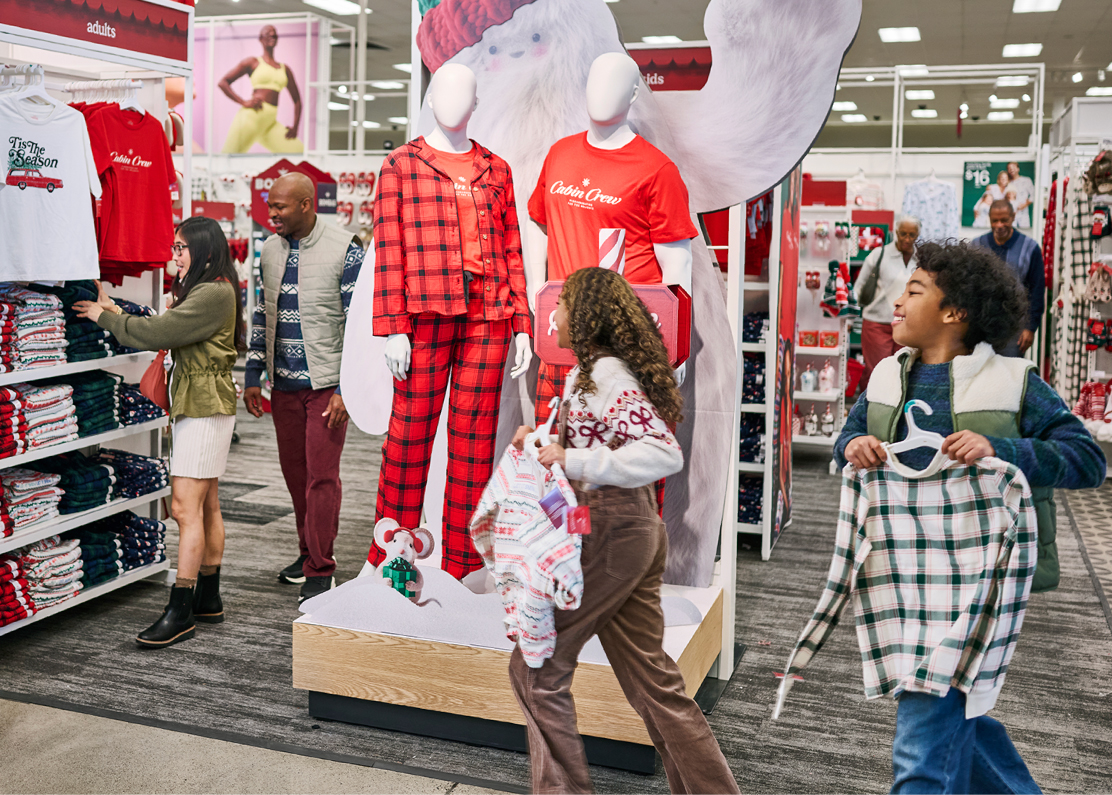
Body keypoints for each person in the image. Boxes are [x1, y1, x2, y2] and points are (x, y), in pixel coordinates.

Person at [831, 241, 1104, 793]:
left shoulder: (1015, 380)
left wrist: (1002, 450)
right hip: (903, 574)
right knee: (957, 713)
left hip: (978, 580)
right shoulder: (884, 376)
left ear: (954, 312)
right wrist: (854, 444)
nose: (898, 304)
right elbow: (844, 441)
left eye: (913, 291)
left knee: (921, 747)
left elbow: (1088, 460)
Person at [509, 268, 740, 795]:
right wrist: (544, 443)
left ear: (585, 316)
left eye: (563, 305)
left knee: (537, 671)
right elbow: (589, 447)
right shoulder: (588, 375)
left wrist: (573, 457)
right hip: (622, 530)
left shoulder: (607, 374)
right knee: (655, 687)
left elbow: (661, 451)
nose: (555, 315)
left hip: (610, 532)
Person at [74, 216, 246, 648]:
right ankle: (208, 598)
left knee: (185, 510)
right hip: (205, 405)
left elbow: (158, 332)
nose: (174, 255)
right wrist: (115, 309)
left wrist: (104, 317)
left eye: (181, 248)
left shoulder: (212, 292)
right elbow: (168, 325)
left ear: (203, 249)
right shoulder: (213, 289)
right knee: (206, 506)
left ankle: (180, 609)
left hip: (204, 409)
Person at [243, 172, 363, 603]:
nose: (271, 213)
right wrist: (254, 374)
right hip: (284, 386)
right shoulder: (269, 250)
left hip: (326, 385)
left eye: (279, 206)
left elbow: (357, 326)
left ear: (307, 204)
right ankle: (306, 552)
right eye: (270, 205)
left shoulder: (345, 248)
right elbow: (262, 314)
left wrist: (348, 389)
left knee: (321, 478)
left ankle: (321, 567)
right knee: (296, 477)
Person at [971, 199, 1045, 357]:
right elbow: (967, 287)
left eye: (1004, 220)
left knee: (1011, 376)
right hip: (980, 328)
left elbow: (1037, 289)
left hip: (1014, 329)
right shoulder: (976, 246)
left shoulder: (1030, 248)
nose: (999, 225)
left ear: (1013, 216)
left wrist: (1030, 328)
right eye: (994, 221)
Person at [854, 215, 920, 387]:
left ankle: (896, 411)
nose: (907, 239)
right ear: (896, 232)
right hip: (877, 323)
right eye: (903, 234)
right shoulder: (879, 255)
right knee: (876, 371)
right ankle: (869, 410)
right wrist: (851, 317)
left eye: (912, 235)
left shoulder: (920, 260)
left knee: (902, 371)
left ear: (918, 235)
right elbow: (858, 287)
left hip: (907, 324)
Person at [218, 24, 303, 154]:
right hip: (252, 116)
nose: (271, 35)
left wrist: (295, 127)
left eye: (274, 34)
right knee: (229, 155)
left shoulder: (285, 69)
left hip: (270, 122)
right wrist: (243, 102)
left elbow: (297, 100)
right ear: (260, 38)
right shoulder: (252, 62)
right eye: (267, 33)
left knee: (298, 151)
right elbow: (223, 82)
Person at [1006, 161, 1035, 229]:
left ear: (1018, 169)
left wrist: (1025, 205)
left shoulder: (1026, 180)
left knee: (1024, 232)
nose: (1011, 169)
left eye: (1013, 167)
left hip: (1023, 213)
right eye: (1009, 168)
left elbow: (1033, 195)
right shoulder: (1007, 182)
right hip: (1010, 213)